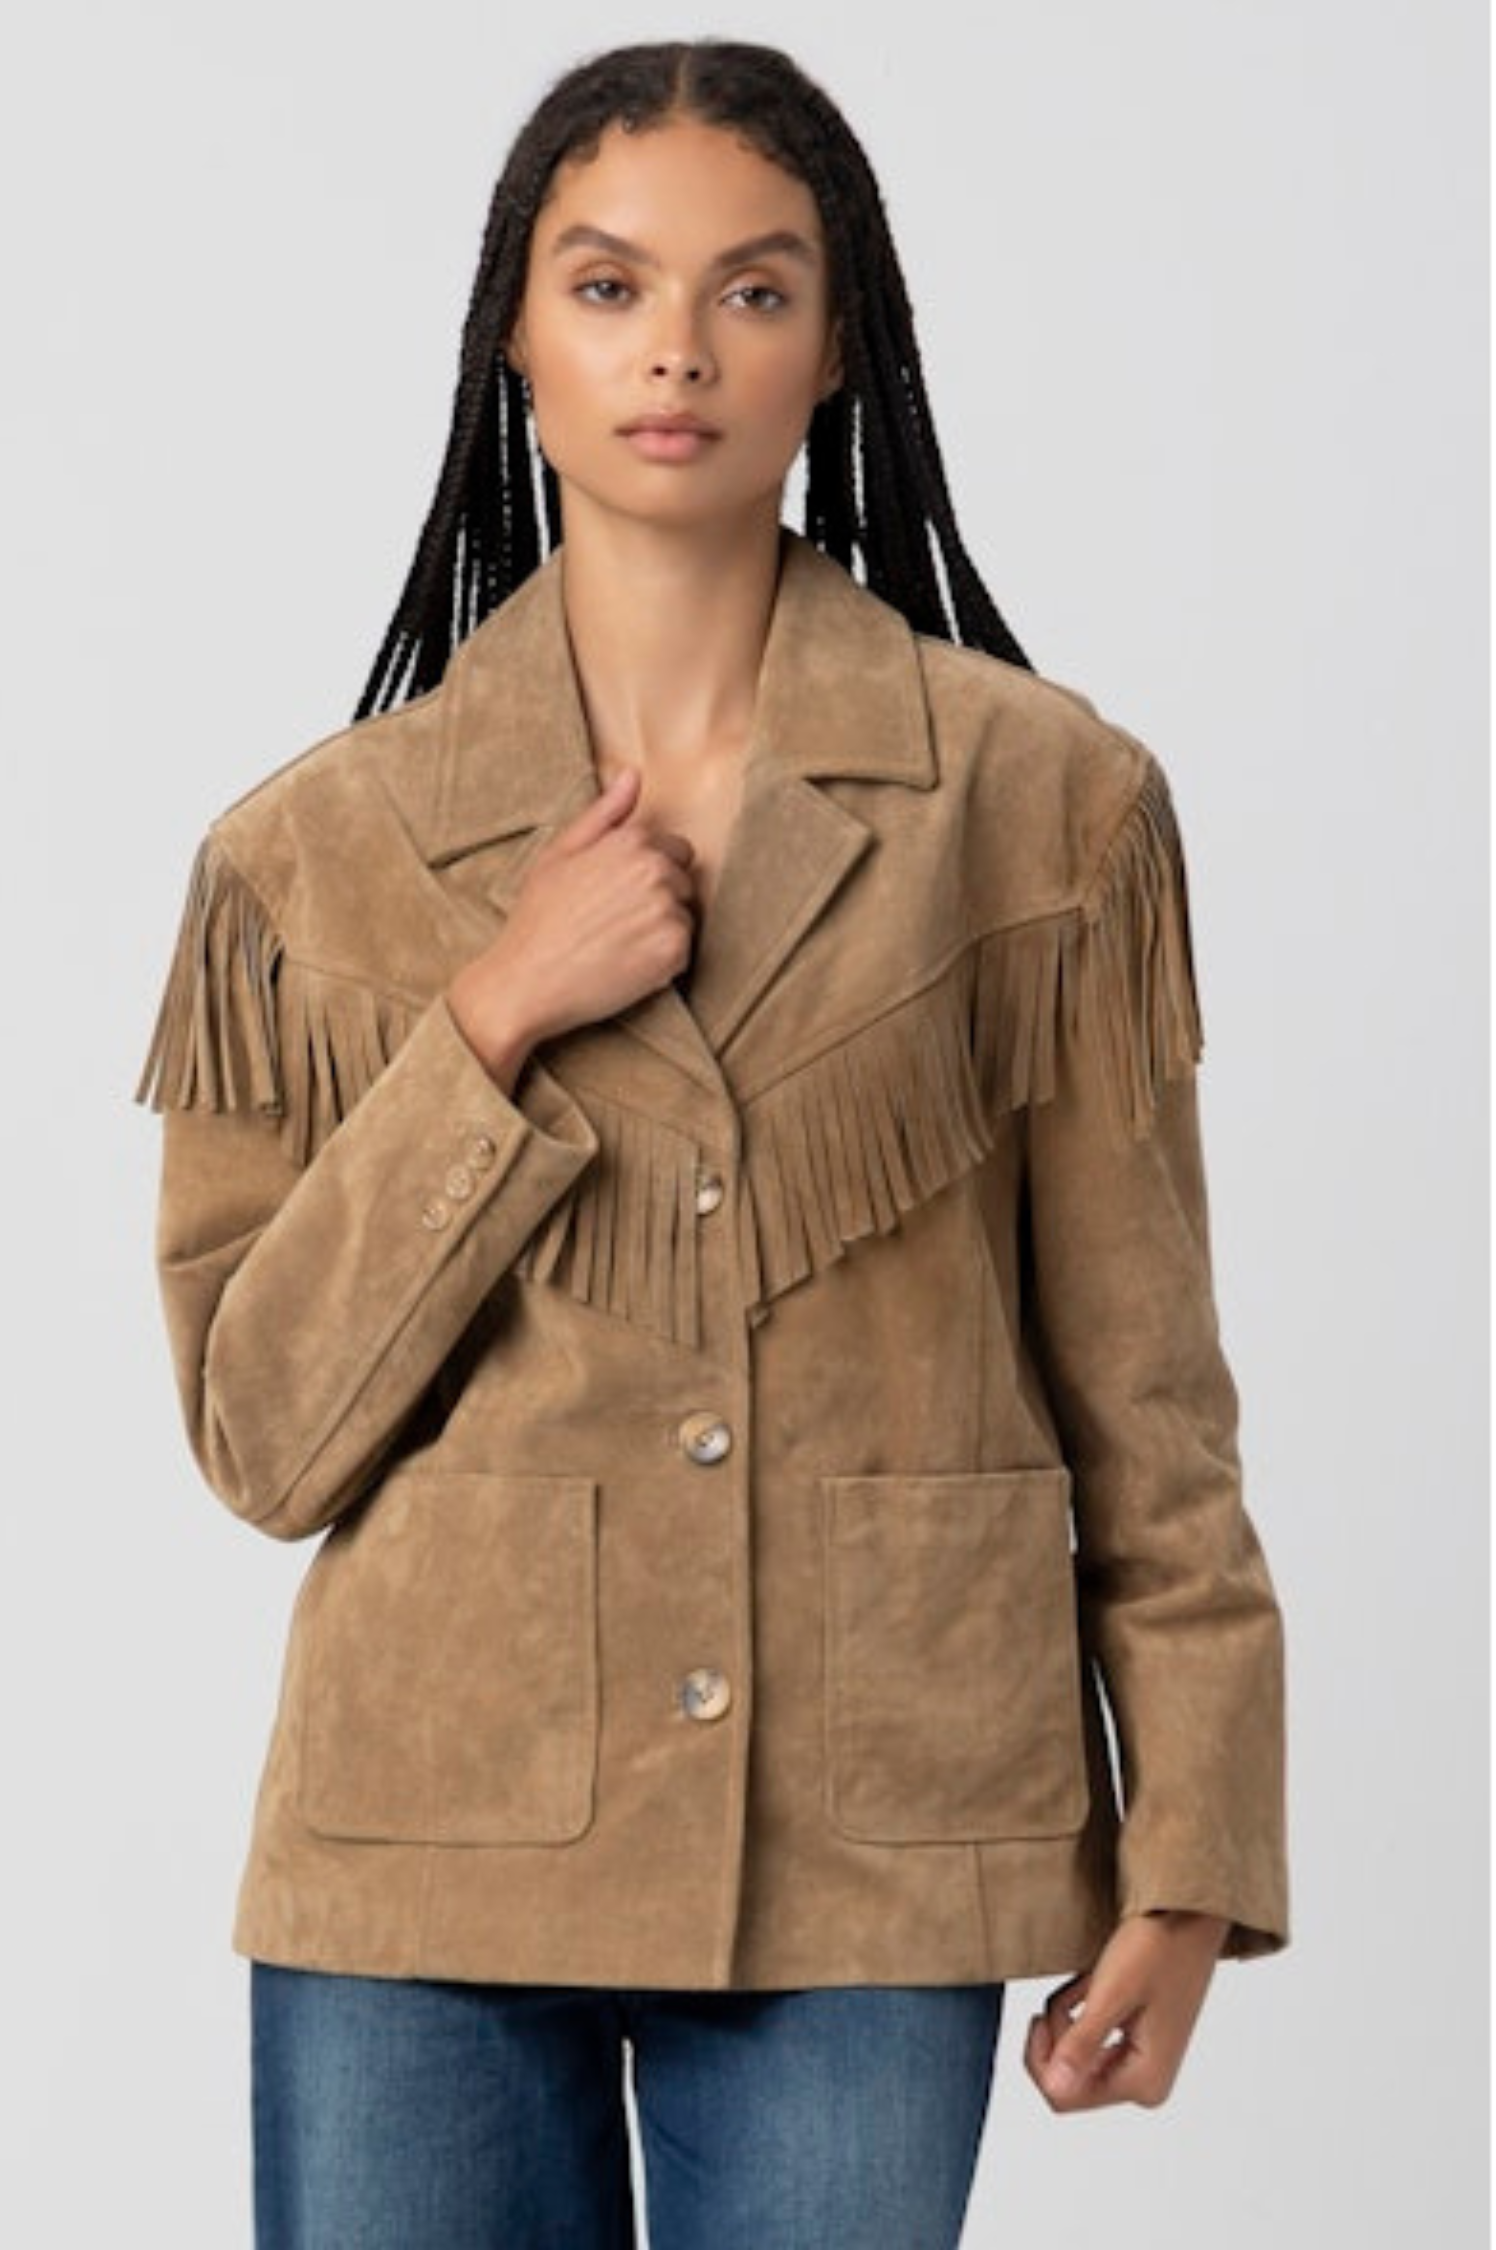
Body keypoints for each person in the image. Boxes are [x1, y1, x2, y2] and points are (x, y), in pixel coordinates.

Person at [136, 36, 1289, 2250]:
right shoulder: (312, 860)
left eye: (753, 290)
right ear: (516, 335)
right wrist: (494, 1016)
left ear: (838, 344)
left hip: (880, 1834)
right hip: (424, 1839)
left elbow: (1149, 1389)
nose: (677, 347)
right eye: (608, 286)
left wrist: (1195, 1848)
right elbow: (262, 1435)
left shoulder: (1042, 806)